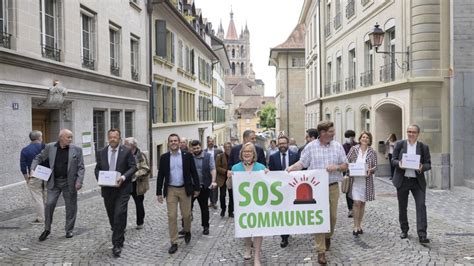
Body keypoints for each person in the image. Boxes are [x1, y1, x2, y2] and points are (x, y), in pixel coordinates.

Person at [287, 121, 348, 265]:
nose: (333, 133)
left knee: (332, 217)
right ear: (322, 133)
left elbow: (346, 165)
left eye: (333, 131)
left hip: (333, 187)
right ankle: (321, 251)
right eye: (331, 131)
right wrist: (291, 168)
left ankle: (328, 236)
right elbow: (302, 163)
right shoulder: (311, 147)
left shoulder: (337, 146)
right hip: (315, 189)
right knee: (319, 218)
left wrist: (337, 167)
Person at [31, 129, 85, 241]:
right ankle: (47, 229)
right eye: (68, 137)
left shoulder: (77, 150)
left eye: (71, 137)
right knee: (49, 204)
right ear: (61, 137)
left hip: (69, 183)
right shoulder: (50, 147)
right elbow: (39, 158)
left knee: (71, 207)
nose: (71, 139)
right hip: (54, 182)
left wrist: (79, 181)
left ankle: (69, 230)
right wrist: (33, 168)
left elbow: (81, 167)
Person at [95, 129, 137, 257]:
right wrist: (100, 178)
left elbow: (133, 167)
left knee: (119, 213)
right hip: (107, 189)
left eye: (115, 137)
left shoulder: (126, 151)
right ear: (108, 138)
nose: (113, 139)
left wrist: (123, 177)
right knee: (112, 215)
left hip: (123, 189)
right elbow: (98, 168)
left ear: (119, 138)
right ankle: (119, 232)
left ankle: (116, 244)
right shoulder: (101, 152)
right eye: (111, 137)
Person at [156, 134, 200, 254]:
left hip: (185, 189)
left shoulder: (188, 156)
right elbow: (160, 176)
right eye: (171, 141)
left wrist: (197, 188)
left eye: (175, 141)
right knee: (172, 216)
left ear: (179, 142)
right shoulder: (164, 157)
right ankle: (174, 242)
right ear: (168, 143)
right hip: (171, 189)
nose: (173, 143)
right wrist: (158, 192)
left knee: (186, 215)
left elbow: (194, 172)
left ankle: (187, 230)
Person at [227, 142, 267, 266]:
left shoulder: (261, 167)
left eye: (250, 151)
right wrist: (229, 177)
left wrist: (269, 175)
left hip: (259, 204)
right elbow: (229, 187)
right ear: (241, 154)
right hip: (243, 205)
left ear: (254, 154)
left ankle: (257, 257)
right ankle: (247, 247)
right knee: (246, 227)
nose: (247, 153)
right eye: (245, 151)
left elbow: (269, 185)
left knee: (258, 229)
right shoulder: (235, 168)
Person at [391, 124, 431, 244]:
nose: (411, 134)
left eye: (413, 132)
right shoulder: (399, 144)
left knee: (421, 206)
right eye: (409, 131)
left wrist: (422, 167)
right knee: (402, 207)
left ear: (418, 134)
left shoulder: (423, 146)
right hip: (402, 180)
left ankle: (422, 234)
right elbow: (392, 160)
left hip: (417, 182)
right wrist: (399, 163)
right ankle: (404, 230)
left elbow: (428, 164)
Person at [268, 135, 300, 248]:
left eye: (284, 143)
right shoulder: (273, 157)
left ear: (288, 144)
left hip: (292, 188)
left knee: (290, 211)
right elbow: (270, 172)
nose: (282, 145)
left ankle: (289, 229)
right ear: (277, 145)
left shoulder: (295, 155)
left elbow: (300, 171)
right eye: (280, 143)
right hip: (279, 190)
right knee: (282, 212)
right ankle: (284, 237)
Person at [346, 131, 377, 236]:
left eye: (367, 137)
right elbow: (346, 161)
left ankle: (359, 225)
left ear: (369, 140)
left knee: (362, 203)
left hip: (366, 181)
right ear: (360, 139)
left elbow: (375, 166)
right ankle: (355, 226)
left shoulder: (372, 152)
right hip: (355, 181)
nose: (365, 139)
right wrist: (350, 168)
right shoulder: (354, 149)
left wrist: (370, 170)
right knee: (356, 203)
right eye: (363, 137)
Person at [123, 137, 150, 230]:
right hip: (126, 183)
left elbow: (146, 169)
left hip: (137, 183)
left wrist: (135, 174)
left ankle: (140, 222)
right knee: (122, 204)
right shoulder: (124, 154)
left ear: (133, 145)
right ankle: (122, 225)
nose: (124, 145)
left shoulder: (140, 155)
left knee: (139, 203)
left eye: (126, 144)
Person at [191, 140, 217, 235]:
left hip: (204, 186)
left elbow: (212, 168)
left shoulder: (208, 156)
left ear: (201, 147)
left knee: (204, 208)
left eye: (198, 148)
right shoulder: (189, 157)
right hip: (192, 187)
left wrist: (213, 181)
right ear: (191, 149)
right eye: (194, 148)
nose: (196, 150)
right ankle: (185, 226)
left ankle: (205, 226)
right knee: (187, 207)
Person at [20, 130, 46, 224]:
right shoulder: (46, 147)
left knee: (37, 197)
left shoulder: (25, 150)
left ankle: (41, 218)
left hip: (34, 175)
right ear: (39, 137)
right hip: (47, 174)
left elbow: (23, 166)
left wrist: (27, 178)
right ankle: (48, 216)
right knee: (47, 195)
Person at [342, 130, 358, 218]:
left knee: (355, 188)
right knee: (348, 189)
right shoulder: (343, 146)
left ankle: (356, 206)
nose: (349, 139)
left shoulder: (357, 145)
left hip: (356, 170)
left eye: (351, 137)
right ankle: (350, 209)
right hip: (347, 171)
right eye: (347, 137)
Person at [204, 136, 222, 209]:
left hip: (216, 171)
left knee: (215, 187)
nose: (210, 143)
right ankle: (211, 201)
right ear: (207, 143)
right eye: (209, 141)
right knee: (209, 187)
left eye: (212, 141)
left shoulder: (218, 151)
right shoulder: (204, 151)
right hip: (207, 172)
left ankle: (215, 202)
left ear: (213, 142)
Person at [216, 142, 232, 217]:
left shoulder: (233, 156)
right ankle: (223, 209)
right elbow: (217, 167)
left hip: (231, 178)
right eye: (226, 147)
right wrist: (225, 171)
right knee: (222, 195)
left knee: (231, 195)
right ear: (224, 148)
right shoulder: (220, 156)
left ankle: (230, 211)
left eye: (229, 147)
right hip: (222, 178)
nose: (228, 148)